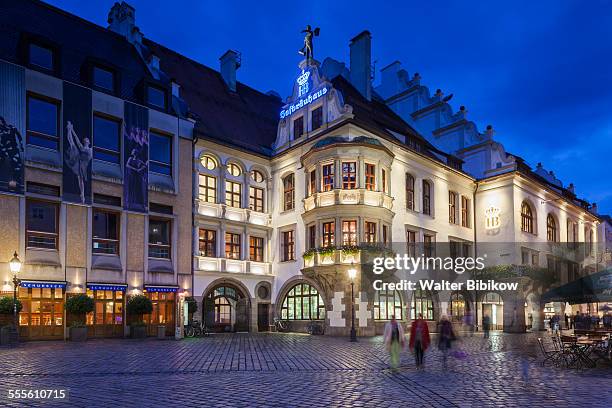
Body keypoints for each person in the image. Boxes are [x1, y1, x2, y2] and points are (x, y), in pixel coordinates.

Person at [65, 121, 92, 204]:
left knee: (80, 180)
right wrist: (72, 130)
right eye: (85, 139)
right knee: (72, 143)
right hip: (80, 160)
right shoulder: (82, 147)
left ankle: (82, 195)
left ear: (88, 142)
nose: (86, 140)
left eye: (87, 139)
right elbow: (77, 140)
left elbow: (88, 156)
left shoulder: (90, 149)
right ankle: (69, 129)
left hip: (84, 162)